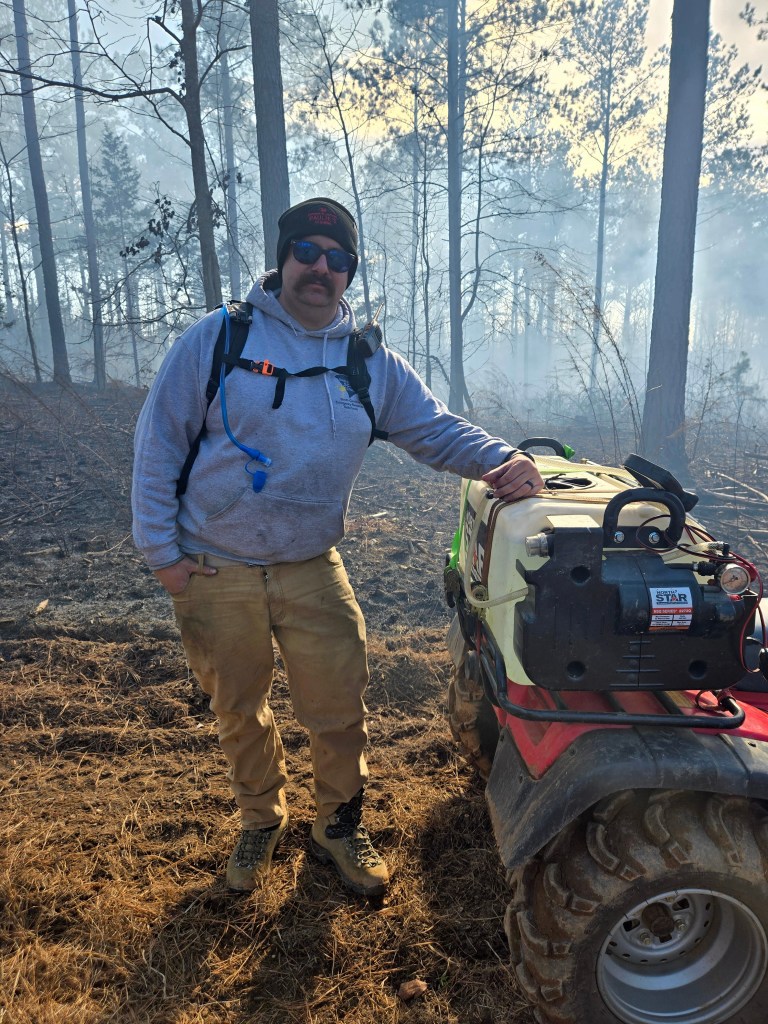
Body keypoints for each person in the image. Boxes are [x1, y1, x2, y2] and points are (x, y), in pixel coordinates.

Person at [132, 197, 543, 898]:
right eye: (307, 253)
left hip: (311, 565)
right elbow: (158, 443)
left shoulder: (366, 360)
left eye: (337, 259)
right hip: (213, 566)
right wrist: (163, 556)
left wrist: (501, 459)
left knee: (339, 705)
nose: (320, 268)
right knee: (238, 707)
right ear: (283, 259)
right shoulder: (219, 338)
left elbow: (433, 428)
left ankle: (338, 824)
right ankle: (261, 820)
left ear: (349, 272)